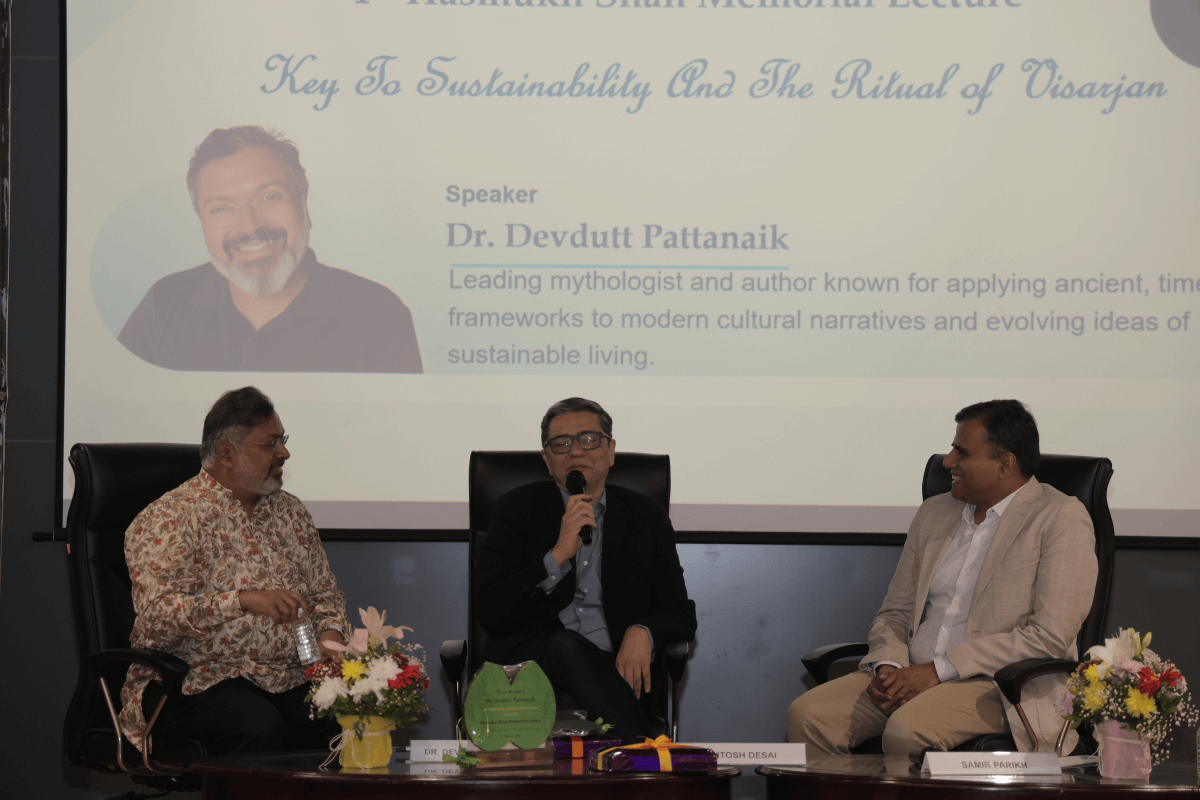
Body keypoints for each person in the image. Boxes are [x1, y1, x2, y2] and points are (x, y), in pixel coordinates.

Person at [786, 399, 1097, 756]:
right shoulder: (935, 512)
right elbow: (895, 613)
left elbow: (1049, 637)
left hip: (999, 685)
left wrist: (937, 671)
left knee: (906, 729)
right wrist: (888, 668)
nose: (948, 461)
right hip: (909, 672)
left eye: (961, 452)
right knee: (808, 716)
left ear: (1005, 463)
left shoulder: (1059, 517)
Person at [118, 386, 351, 756]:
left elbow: (325, 596)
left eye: (283, 440)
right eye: (270, 443)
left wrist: (330, 635)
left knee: (346, 720)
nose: (284, 453)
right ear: (226, 453)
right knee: (258, 727)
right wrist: (243, 601)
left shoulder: (291, 513)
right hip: (194, 680)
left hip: (287, 678)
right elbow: (156, 619)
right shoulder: (170, 517)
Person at [474, 397, 697, 743]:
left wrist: (644, 631)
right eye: (561, 443)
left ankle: (629, 753)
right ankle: (641, 752)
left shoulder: (646, 517)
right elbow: (490, 608)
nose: (576, 451)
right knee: (566, 646)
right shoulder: (515, 509)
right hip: (531, 669)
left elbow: (681, 613)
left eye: (590, 439)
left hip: (613, 674)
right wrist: (557, 556)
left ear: (611, 451)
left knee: (572, 706)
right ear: (547, 460)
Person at [118, 125, 422, 373]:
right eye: (221, 208)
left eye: (270, 197)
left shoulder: (378, 315)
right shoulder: (163, 305)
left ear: (303, 201)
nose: (249, 226)